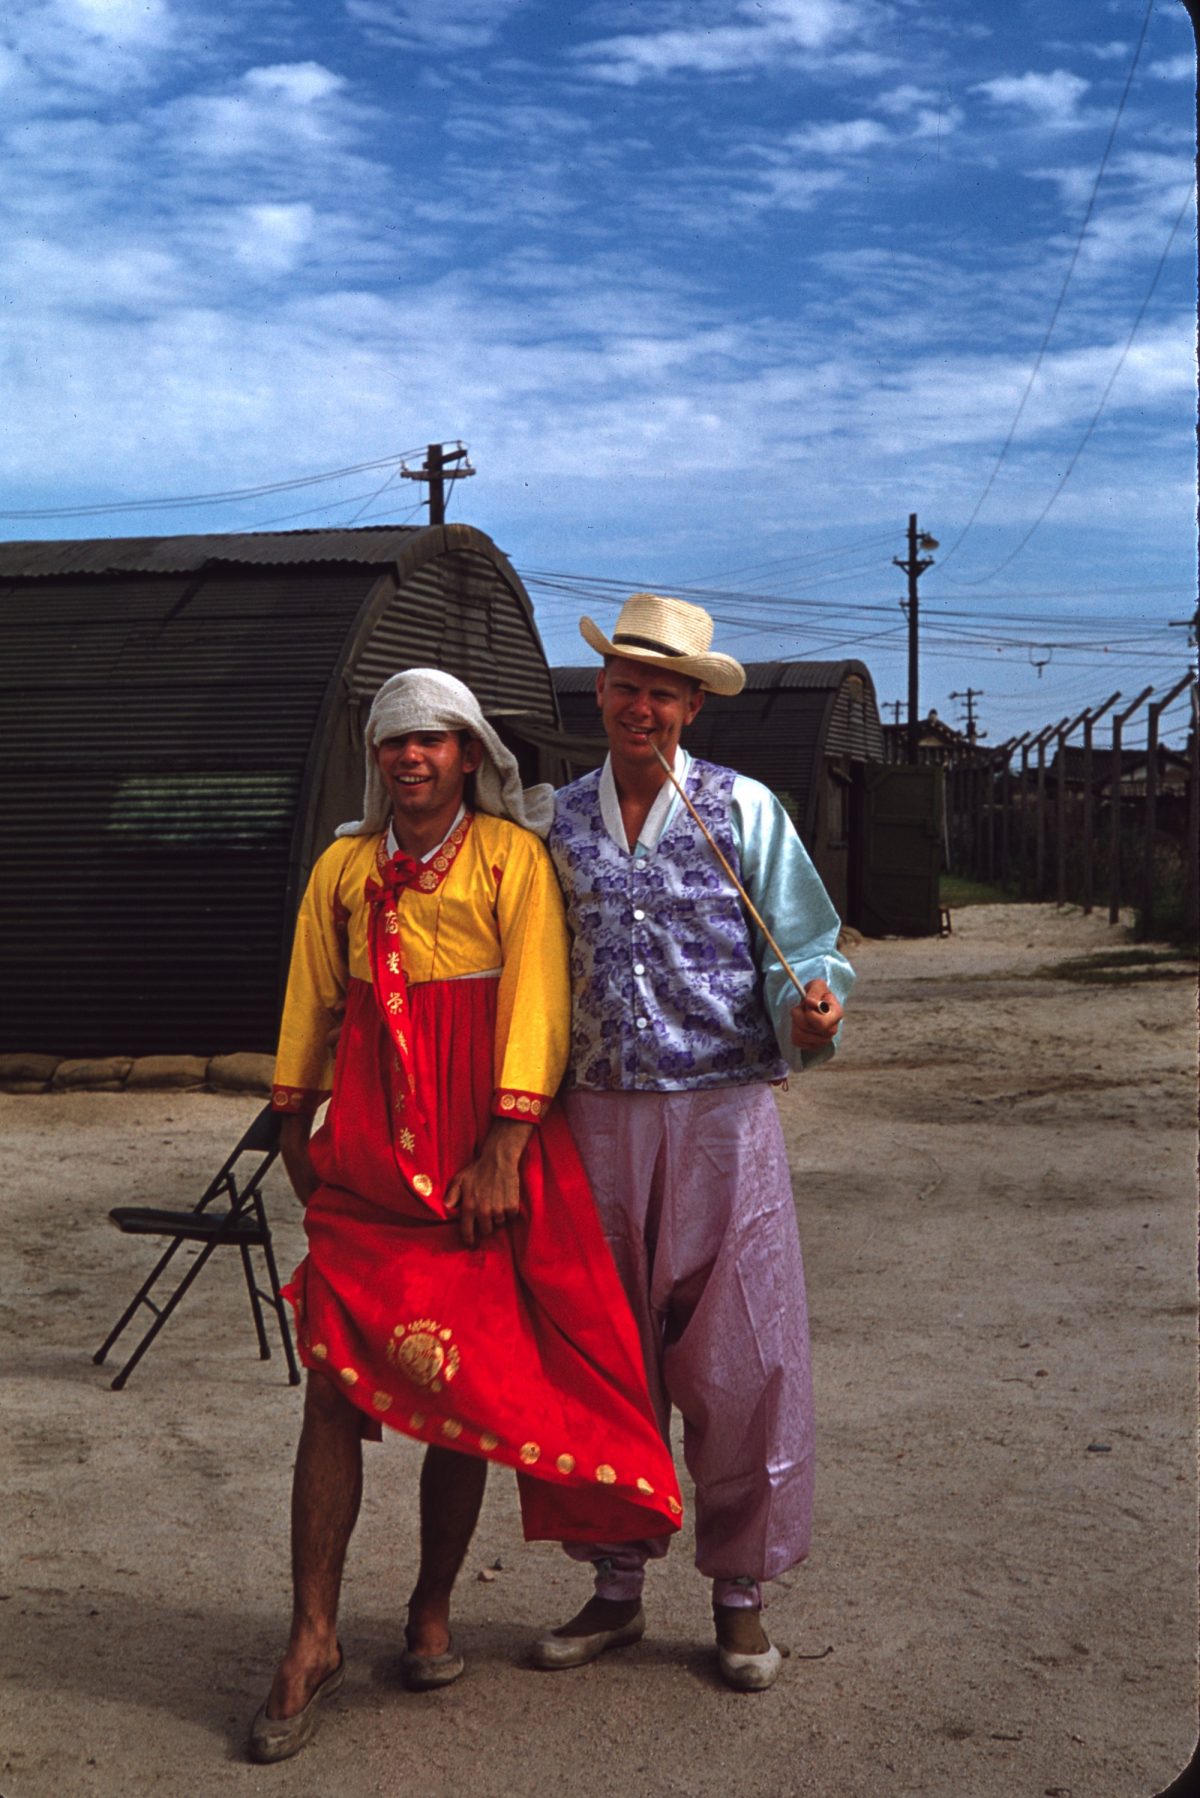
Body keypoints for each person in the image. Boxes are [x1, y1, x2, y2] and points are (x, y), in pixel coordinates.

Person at [250, 667, 681, 1763]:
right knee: (334, 1391)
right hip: (367, 1164)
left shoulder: (510, 860)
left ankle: (432, 1601)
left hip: (474, 1164)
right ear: (377, 760)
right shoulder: (345, 870)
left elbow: (539, 997)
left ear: (470, 755)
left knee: (464, 1380)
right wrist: (296, 1133)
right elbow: (311, 999)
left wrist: (508, 1139)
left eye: (434, 741)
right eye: (396, 742)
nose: (413, 758)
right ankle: (311, 1636)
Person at [535, 594, 855, 1692]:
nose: (642, 704)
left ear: (689, 704)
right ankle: (615, 1587)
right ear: (600, 694)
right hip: (597, 1111)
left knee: (742, 1353)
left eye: (663, 689)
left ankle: (740, 1597)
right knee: (603, 1350)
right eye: (626, 684)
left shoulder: (744, 808)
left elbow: (804, 944)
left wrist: (811, 1005)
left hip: (723, 1110)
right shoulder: (552, 820)